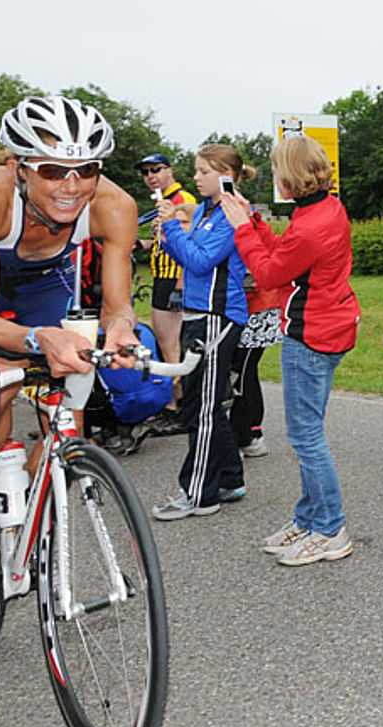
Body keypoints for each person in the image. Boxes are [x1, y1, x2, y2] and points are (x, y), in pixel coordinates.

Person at [0, 96, 139, 582]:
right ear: (19, 167)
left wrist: (120, 328)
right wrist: (38, 338)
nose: (71, 187)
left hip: (41, 283)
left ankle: (35, 495)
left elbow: (117, 302)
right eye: (54, 170)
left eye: (86, 170)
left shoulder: (115, 205)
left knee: (73, 390)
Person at [222, 134, 360, 566]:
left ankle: (330, 528)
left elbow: (267, 273)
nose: (275, 176)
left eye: (278, 168)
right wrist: (257, 224)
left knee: (306, 435)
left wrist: (242, 229)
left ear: (289, 176)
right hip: (327, 326)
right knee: (308, 432)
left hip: (311, 336)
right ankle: (310, 517)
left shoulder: (313, 224)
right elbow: (286, 255)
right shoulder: (322, 209)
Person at [149, 144, 250, 521]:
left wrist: (174, 226)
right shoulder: (208, 209)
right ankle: (229, 477)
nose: (196, 178)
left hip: (216, 315)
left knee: (202, 408)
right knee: (199, 402)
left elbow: (200, 260)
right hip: (197, 313)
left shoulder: (229, 211)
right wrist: (168, 232)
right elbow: (188, 258)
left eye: (203, 171)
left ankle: (198, 494)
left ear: (225, 173)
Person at [136, 153, 196, 427]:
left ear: (169, 170)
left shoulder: (182, 200)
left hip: (174, 278)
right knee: (168, 344)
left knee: (171, 347)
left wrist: (181, 285)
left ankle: (176, 407)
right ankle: (177, 403)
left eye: (155, 169)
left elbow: (189, 239)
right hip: (162, 276)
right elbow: (164, 239)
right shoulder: (163, 200)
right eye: (145, 172)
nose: (150, 175)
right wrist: (144, 245)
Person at [230, 271, 283, 458]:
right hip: (253, 304)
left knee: (241, 373)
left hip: (256, 306)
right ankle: (251, 434)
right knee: (246, 372)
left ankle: (242, 436)